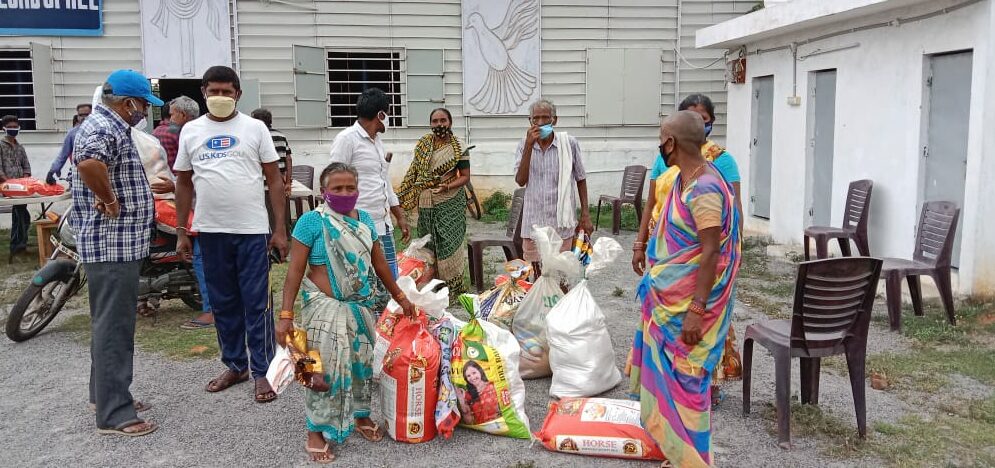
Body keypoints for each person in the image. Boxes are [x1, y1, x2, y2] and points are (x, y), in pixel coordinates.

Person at [277, 162, 415, 464]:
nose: (344, 193)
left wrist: (401, 297)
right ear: (323, 192)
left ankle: (361, 415)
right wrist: (285, 314)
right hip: (322, 309)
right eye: (336, 188)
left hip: (361, 308)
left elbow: (380, 266)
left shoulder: (364, 220)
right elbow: (295, 272)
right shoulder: (311, 222)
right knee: (318, 370)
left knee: (361, 366)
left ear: (358, 189)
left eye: (349, 187)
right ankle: (315, 429)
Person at [629, 111, 741, 467]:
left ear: (671, 143)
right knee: (671, 381)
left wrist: (696, 310)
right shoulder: (683, 180)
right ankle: (677, 455)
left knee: (688, 381)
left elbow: (711, 252)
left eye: (662, 138)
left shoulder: (706, 186)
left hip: (689, 308)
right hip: (668, 301)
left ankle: (694, 461)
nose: (660, 145)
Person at [173, 65, 288, 403]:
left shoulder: (254, 129)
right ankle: (235, 364)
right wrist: (182, 230)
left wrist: (280, 230)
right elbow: (182, 182)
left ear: (238, 94)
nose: (220, 97)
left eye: (227, 91)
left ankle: (262, 371)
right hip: (210, 232)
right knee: (223, 303)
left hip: (252, 231)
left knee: (256, 303)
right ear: (203, 93)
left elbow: (275, 180)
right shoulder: (191, 131)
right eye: (214, 91)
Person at [69, 70, 162, 437]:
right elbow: (90, 163)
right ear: (127, 103)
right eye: (142, 105)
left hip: (115, 244)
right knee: (114, 327)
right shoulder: (103, 128)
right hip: (112, 244)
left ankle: (104, 396)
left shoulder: (104, 125)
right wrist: (109, 199)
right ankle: (115, 414)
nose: (144, 112)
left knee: (107, 323)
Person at [329, 88, 410, 279]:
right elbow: (333, 181)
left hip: (384, 225)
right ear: (380, 115)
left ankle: (383, 310)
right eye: (388, 113)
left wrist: (400, 216)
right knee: (363, 282)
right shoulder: (346, 139)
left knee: (389, 281)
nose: (389, 118)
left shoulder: (377, 142)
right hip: (358, 226)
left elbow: (384, 181)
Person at [396, 107, 470, 300]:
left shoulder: (459, 147)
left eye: (443, 120)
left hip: (450, 199)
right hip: (427, 199)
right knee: (428, 240)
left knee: (449, 241)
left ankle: (451, 285)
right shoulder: (423, 145)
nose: (439, 125)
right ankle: (431, 283)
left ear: (450, 122)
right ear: (430, 124)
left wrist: (446, 187)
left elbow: (465, 177)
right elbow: (415, 172)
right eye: (435, 121)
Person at [514, 98, 593, 275]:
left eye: (545, 118)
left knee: (562, 274)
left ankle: (561, 303)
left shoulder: (568, 144)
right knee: (536, 275)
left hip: (561, 224)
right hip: (533, 222)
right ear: (530, 121)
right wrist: (528, 146)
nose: (541, 123)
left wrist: (585, 214)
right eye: (536, 119)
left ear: (554, 120)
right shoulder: (523, 144)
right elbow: (520, 180)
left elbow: (580, 178)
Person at [0, 115, 32, 256]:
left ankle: (20, 243)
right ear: (4, 128)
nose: (13, 129)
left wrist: (25, 179)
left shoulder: (20, 147)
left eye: (15, 127)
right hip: (7, 186)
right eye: (10, 127)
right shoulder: (1, 145)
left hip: (22, 187)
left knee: (22, 215)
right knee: (20, 215)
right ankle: (17, 246)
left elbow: (26, 165)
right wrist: (7, 182)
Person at [46, 103, 92, 184]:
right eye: (81, 115)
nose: (84, 118)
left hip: (97, 173)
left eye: (86, 114)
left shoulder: (99, 130)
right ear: (77, 116)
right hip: (78, 174)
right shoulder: (72, 133)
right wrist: (52, 171)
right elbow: (63, 154)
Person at [154, 95, 199, 170]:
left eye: (172, 115)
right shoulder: (201, 134)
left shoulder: (156, 132)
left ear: (183, 115)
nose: (170, 119)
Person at [457, 361, 498, 425]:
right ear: (466, 379)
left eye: (474, 373)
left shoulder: (493, 386)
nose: (472, 377)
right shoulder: (468, 395)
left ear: (480, 371)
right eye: (468, 376)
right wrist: (461, 399)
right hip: (480, 428)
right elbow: (468, 421)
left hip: (498, 425)